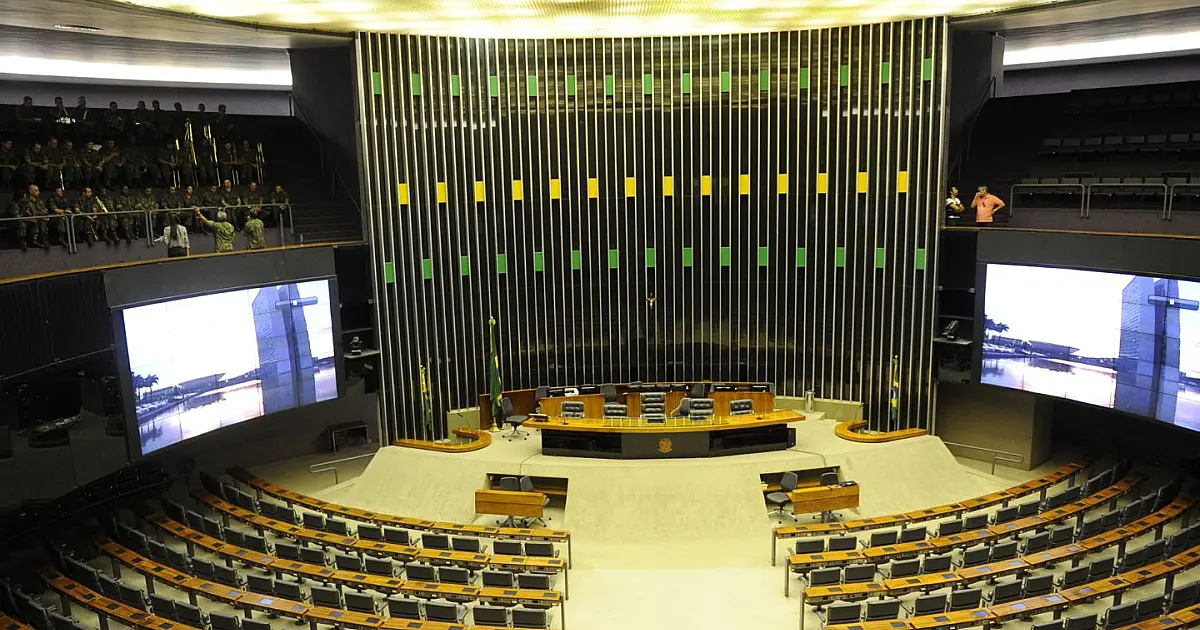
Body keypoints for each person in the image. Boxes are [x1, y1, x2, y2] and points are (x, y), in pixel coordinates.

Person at [13, 184, 49, 250]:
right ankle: (28, 241)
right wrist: (39, 213)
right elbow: (28, 212)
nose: (39, 192)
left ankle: (43, 240)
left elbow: (45, 210)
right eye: (36, 190)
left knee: (43, 221)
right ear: (30, 191)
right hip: (21, 219)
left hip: (36, 218)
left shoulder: (40, 201)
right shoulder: (25, 202)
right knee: (31, 222)